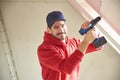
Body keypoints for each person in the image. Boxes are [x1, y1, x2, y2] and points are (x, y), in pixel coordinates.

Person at [37, 11, 102, 80]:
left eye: (62, 25)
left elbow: (99, 45)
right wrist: (85, 42)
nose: (61, 30)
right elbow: (66, 68)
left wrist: (94, 31)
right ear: (49, 30)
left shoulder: (74, 43)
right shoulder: (44, 50)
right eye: (56, 27)